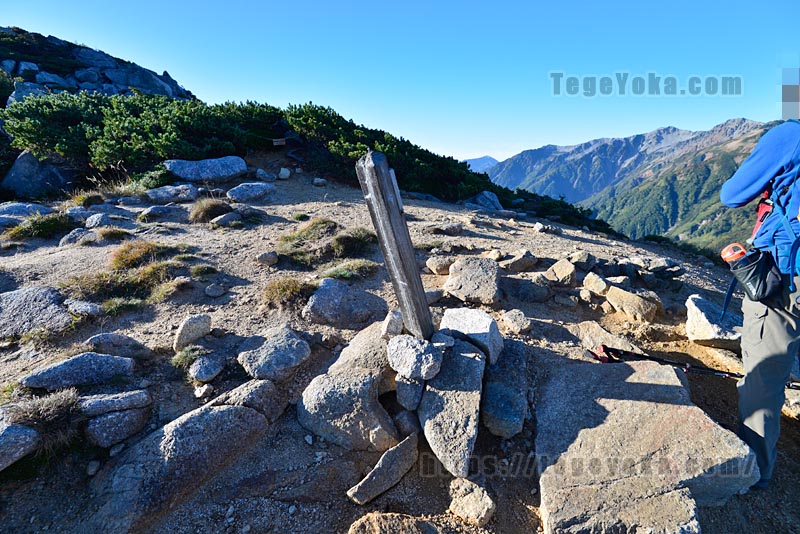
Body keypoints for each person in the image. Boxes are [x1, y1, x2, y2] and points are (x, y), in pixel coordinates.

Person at [720, 119, 800, 489]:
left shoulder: (790, 136)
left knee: (765, 375)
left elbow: (732, 194)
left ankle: (754, 471)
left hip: (786, 277)